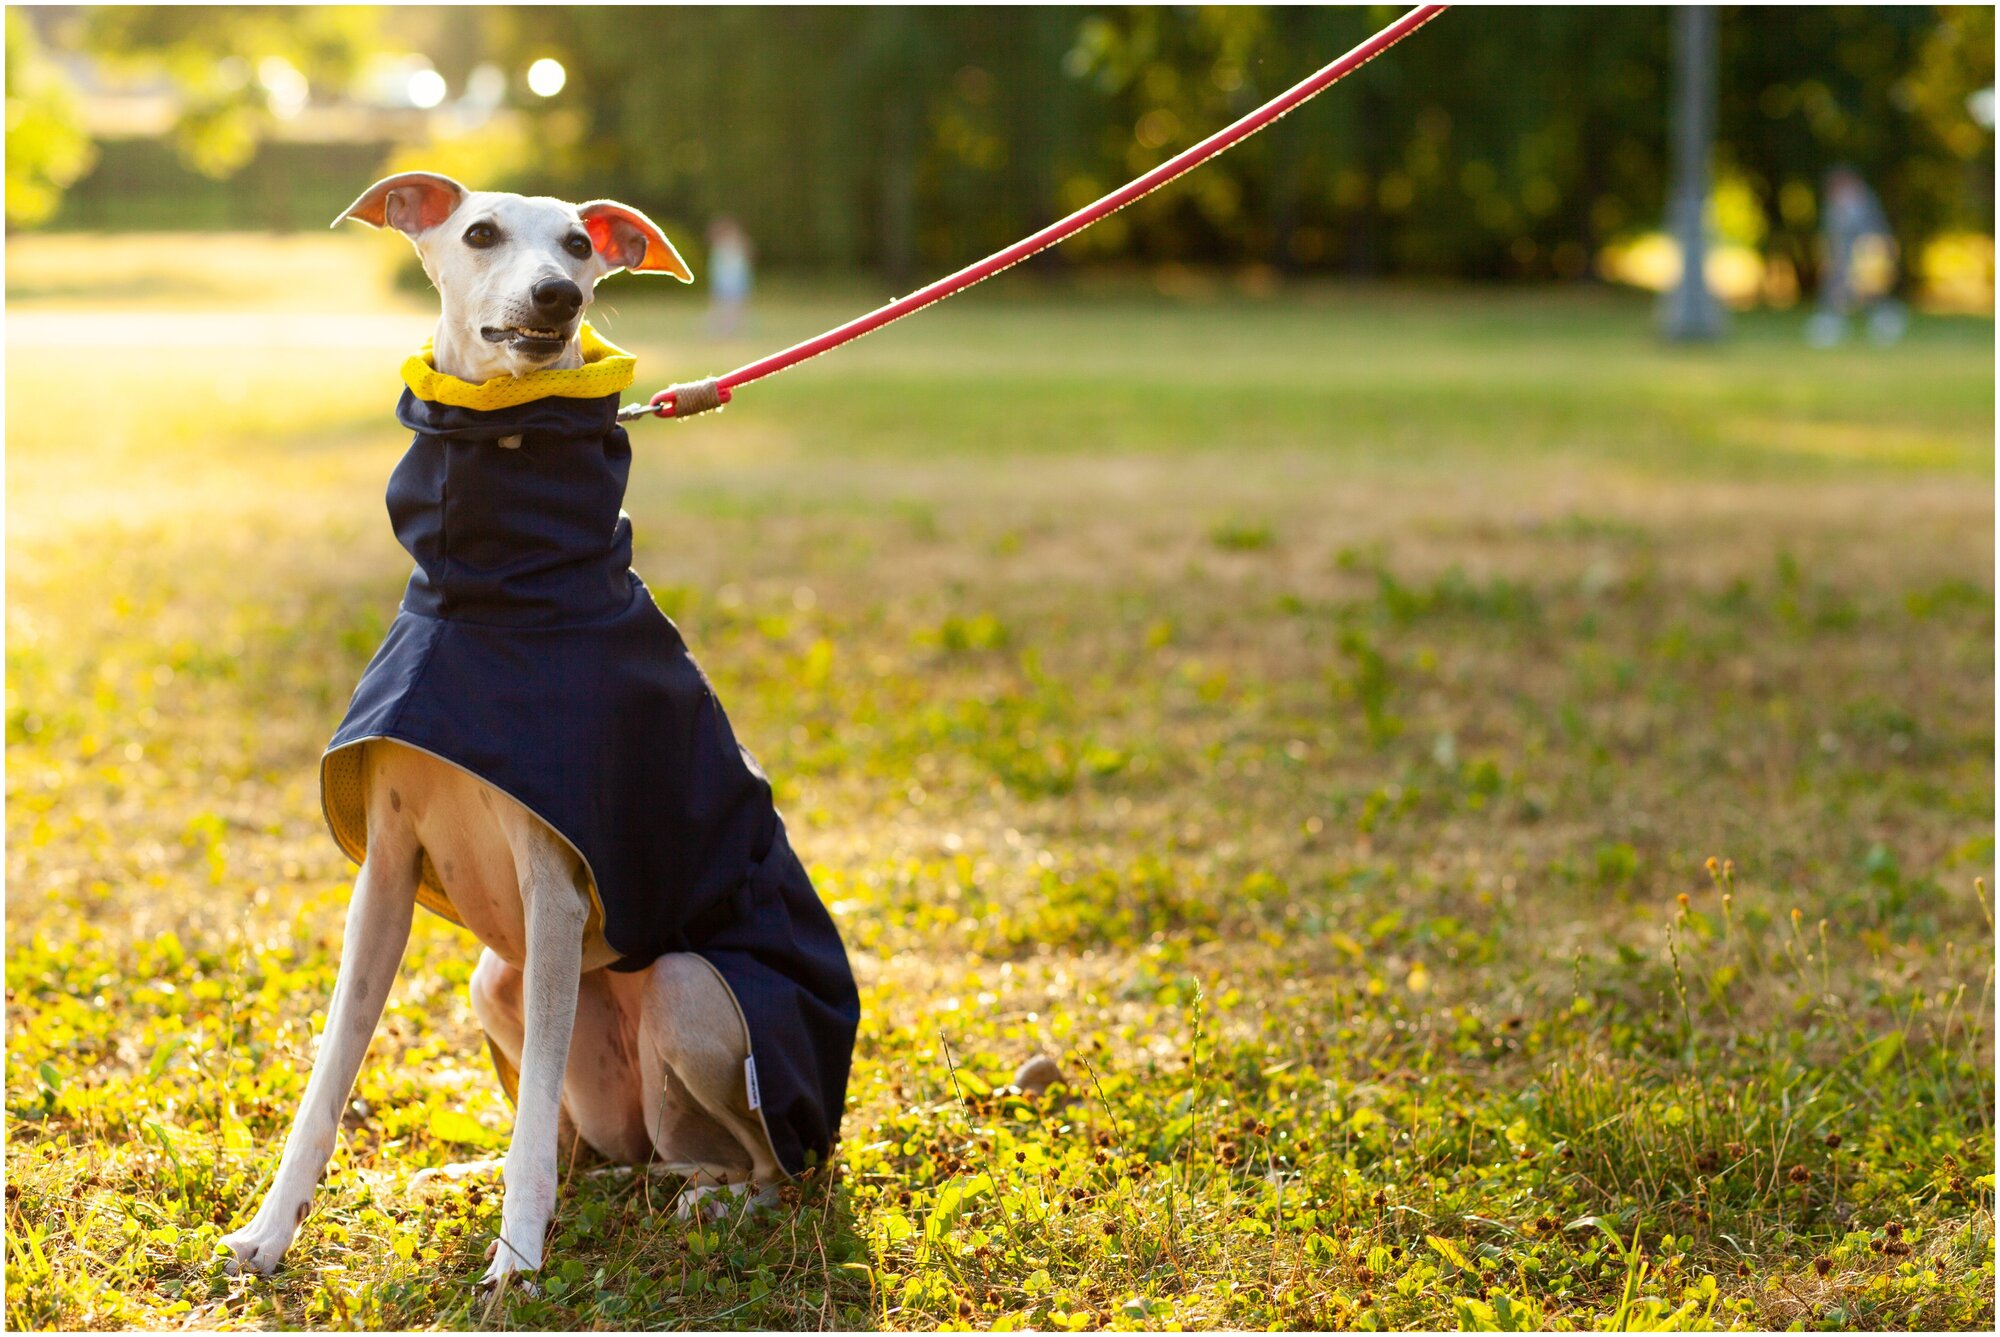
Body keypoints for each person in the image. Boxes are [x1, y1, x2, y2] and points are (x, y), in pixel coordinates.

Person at [1807, 166, 1907, 347]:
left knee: (1871, 293)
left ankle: (1886, 322)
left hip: (1866, 256)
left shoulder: (1864, 201)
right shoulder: (1832, 206)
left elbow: (1875, 231)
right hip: (1844, 257)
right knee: (1836, 291)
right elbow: (1831, 234)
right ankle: (1831, 327)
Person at [707, 215, 753, 337]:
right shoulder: (720, 246)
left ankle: (731, 329)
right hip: (725, 281)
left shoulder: (735, 244)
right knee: (725, 306)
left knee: (734, 306)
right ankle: (724, 328)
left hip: (734, 281)